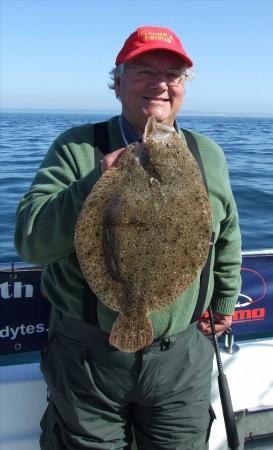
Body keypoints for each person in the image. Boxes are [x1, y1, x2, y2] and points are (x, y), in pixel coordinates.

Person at [14, 26, 241, 450]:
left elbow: (225, 235)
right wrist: (95, 182)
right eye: (143, 71)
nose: (160, 84)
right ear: (117, 83)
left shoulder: (207, 154)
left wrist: (224, 300)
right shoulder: (76, 148)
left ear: (184, 87)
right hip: (88, 360)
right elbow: (32, 241)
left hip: (181, 358)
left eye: (172, 74)